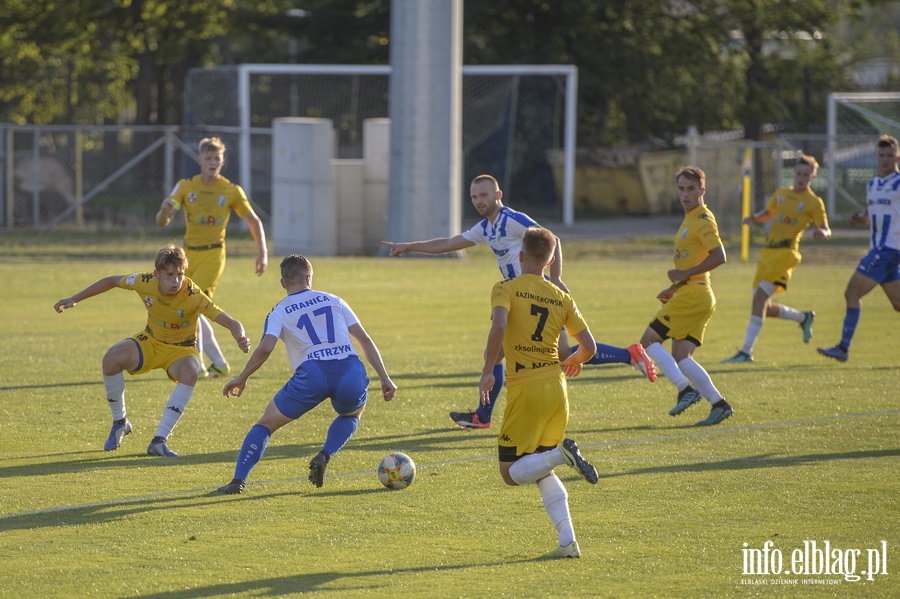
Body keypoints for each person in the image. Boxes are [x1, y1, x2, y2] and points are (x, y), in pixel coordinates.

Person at [382, 173, 655, 430]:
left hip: (535, 294)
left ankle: (484, 416)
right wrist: (409, 246)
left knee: (512, 355)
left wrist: (557, 277)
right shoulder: (485, 228)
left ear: (497, 194)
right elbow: (449, 243)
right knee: (528, 354)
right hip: (519, 299)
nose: (479, 201)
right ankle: (629, 354)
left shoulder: (511, 219)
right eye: (474, 197)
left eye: (484, 195)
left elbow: (552, 238)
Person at [217, 254, 397, 494]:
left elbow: (265, 348)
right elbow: (363, 339)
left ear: (283, 283)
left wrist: (242, 377)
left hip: (313, 374)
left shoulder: (279, 310)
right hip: (349, 369)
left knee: (266, 425)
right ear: (309, 277)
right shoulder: (335, 300)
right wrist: (385, 377)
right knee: (352, 414)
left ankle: (237, 482)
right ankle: (325, 453)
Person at [53, 245, 251, 456]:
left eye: (180, 274)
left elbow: (229, 320)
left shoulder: (193, 294)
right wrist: (75, 298)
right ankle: (120, 422)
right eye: (170, 275)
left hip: (181, 350)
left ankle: (159, 440)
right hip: (151, 341)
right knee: (111, 359)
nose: (176, 281)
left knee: (191, 371)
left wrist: (240, 336)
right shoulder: (144, 281)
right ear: (156, 274)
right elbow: (111, 281)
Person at [478, 226, 599, 559]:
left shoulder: (506, 288)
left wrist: (488, 370)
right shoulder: (561, 296)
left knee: (510, 473)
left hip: (526, 389)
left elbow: (499, 326)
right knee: (540, 468)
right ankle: (568, 542)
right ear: (549, 260)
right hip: (557, 389)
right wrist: (574, 361)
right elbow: (588, 346)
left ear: (520, 257)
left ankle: (564, 454)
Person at [156, 136, 268, 379]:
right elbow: (162, 222)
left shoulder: (230, 190)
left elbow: (253, 220)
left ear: (222, 161)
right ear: (199, 160)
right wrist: (165, 210)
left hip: (213, 254)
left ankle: (198, 364)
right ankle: (216, 363)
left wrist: (262, 252)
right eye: (208, 157)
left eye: (216, 158)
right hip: (186, 257)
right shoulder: (186, 186)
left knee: (192, 304)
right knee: (190, 306)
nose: (212, 162)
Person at [640, 166, 734, 426]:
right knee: (682, 355)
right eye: (681, 189)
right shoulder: (690, 218)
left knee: (648, 342)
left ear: (702, 190)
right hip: (696, 292)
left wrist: (685, 275)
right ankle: (719, 404)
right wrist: (674, 288)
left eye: (691, 189)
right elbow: (698, 259)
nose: (685, 194)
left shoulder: (702, 218)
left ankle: (685, 390)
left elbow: (719, 256)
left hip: (695, 294)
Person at [724, 155, 831, 363]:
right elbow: (769, 213)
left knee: (759, 299)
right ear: (794, 173)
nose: (801, 178)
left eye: (805, 175)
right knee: (764, 306)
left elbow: (825, 228)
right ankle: (803, 317)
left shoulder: (813, 202)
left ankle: (745, 352)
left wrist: (822, 234)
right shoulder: (782, 193)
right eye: (798, 173)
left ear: (813, 176)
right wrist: (753, 218)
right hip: (767, 253)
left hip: (785, 254)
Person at [818, 134, 900, 362]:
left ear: (898, 157)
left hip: (888, 250)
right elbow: (874, 216)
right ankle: (843, 348)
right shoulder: (873, 184)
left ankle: (843, 348)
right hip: (880, 249)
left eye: (890, 155)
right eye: (882, 155)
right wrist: (861, 218)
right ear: (877, 157)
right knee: (898, 305)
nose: (886, 159)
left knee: (851, 292)